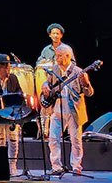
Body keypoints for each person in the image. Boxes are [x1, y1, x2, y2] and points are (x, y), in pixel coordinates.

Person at [41, 44, 94, 175]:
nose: (57, 58)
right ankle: (56, 167)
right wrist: (45, 85)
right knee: (53, 139)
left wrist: (86, 83)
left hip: (73, 111)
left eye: (59, 56)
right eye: (56, 56)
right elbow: (48, 83)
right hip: (57, 110)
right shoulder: (54, 70)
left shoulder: (78, 72)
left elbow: (90, 93)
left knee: (76, 140)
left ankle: (76, 166)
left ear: (68, 56)